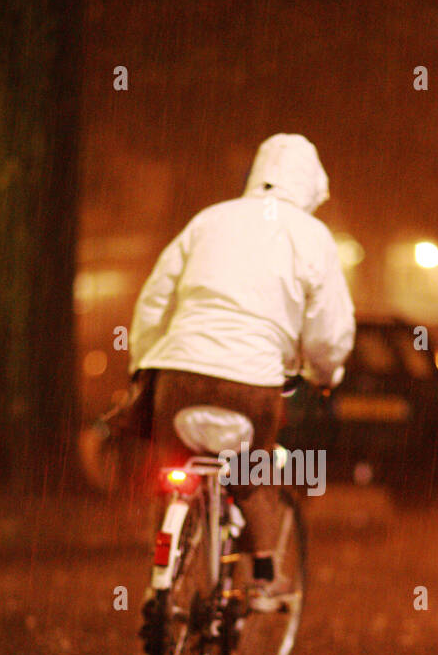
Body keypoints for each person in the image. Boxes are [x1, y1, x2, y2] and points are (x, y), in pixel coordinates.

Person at [128, 132, 355, 607]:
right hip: (249, 386)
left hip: (176, 378)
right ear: (312, 185)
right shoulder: (311, 237)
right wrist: (325, 372)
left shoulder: (208, 220)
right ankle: (267, 578)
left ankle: (161, 573)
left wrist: (144, 361)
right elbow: (328, 331)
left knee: (173, 465)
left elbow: (155, 298)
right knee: (253, 469)